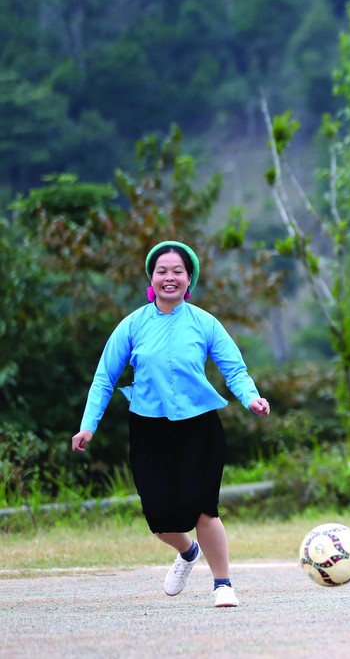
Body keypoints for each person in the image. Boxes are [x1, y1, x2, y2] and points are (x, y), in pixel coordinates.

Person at [71, 241, 271, 608]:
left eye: (178, 271)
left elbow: (234, 369)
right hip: (149, 429)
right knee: (160, 517)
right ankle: (188, 552)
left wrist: (251, 397)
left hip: (200, 428)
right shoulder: (132, 325)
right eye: (162, 271)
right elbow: (104, 379)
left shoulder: (205, 322)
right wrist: (88, 426)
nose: (170, 278)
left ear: (188, 278)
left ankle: (222, 584)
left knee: (203, 508)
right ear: (151, 277)